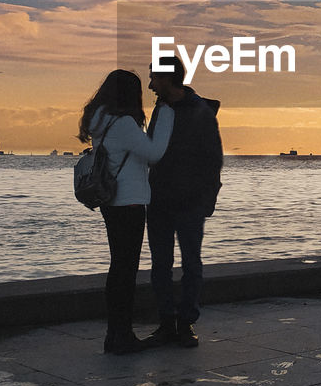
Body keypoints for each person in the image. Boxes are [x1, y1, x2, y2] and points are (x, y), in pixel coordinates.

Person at [78, 69, 175, 355]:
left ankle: (116, 333)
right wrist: (166, 115)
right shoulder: (123, 123)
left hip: (112, 202)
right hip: (129, 201)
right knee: (125, 270)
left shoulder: (101, 120)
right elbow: (155, 153)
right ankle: (121, 335)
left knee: (118, 267)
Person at [144, 55, 223, 348]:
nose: (150, 85)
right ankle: (167, 322)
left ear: (167, 78)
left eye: (153, 78)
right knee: (160, 263)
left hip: (190, 200)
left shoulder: (200, 111)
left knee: (191, 262)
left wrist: (208, 198)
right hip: (159, 198)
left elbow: (213, 158)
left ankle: (185, 323)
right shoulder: (160, 108)